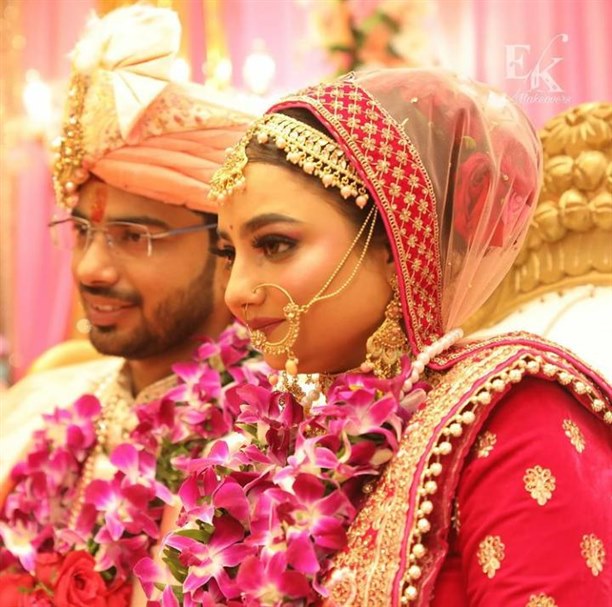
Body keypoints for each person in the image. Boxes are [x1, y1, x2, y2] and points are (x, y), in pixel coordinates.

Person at [177, 69, 608, 605]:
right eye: (229, 253)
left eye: (275, 244)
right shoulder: (277, 440)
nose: (237, 292)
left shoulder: (512, 411)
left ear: (394, 245)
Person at [0, 5, 255, 604]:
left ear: (228, 249)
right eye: (82, 231)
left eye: (134, 236)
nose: (90, 268)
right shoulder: (38, 406)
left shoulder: (268, 447)